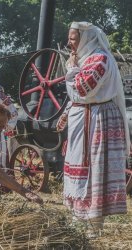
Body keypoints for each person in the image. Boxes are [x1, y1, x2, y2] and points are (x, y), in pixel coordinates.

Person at [57, 21, 130, 237]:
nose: (69, 43)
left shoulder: (100, 58)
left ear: (86, 38)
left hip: (98, 119)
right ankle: (77, 221)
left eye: (73, 38)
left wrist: (71, 68)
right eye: (69, 38)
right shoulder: (85, 59)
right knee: (78, 166)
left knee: (94, 170)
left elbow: (83, 87)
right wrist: (66, 113)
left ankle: (93, 227)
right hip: (83, 117)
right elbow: (77, 97)